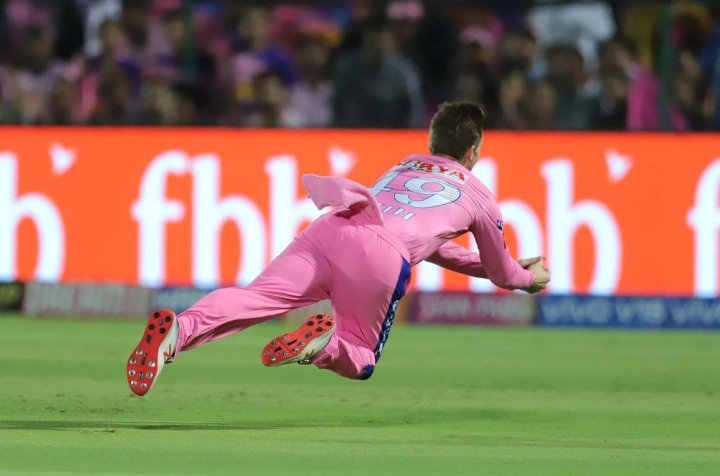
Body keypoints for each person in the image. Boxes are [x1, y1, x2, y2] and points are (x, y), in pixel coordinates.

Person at [125, 102, 551, 396]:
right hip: (379, 257)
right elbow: (502, 273)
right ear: (473, 151)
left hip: (337, 223)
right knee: (361, 357)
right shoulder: (479, 197)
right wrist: (529, 277)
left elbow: (433, 245)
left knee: (255, 298)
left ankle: (178, 331)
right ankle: (324, 343)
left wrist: (493, 266)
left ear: (432, 141)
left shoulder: (404, 165)